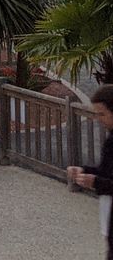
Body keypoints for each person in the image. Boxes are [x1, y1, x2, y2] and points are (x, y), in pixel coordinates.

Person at [68, 84, 113, 259]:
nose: (98, 119)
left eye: (102, 114)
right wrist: (84, 171)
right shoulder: (110, 139)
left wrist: (95, 182)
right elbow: (106, 171)